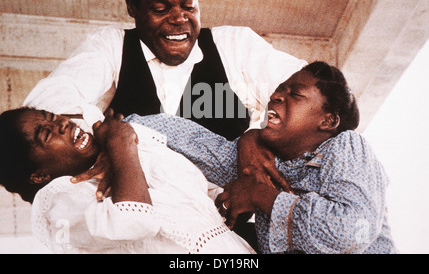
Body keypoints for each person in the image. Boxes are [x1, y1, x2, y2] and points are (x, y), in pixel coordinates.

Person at [117, 62, 397, 254]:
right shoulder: (261, 161)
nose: (276, 96)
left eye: (295, 94)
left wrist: (260, 196)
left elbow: (350, 232)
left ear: (328, 121)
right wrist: (122, 127)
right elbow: (194, 141)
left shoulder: (346, 146)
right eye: (279, 89)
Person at [23, 0, 306, 140]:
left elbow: (310, 90)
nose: (179, 19)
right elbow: (44, 103)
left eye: (189, 5)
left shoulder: (234, 44)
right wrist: (107, 134)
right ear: (132, 7)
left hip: (231, 224)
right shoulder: (111, 47)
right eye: (161, 8)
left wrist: (259, 138)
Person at [0, 108, 255, 254]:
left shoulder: (132, 152)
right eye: (47, 133)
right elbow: (135, 221)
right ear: (38, 176)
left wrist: (228, 199)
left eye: (53, 117)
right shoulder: (59, 200)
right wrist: (120, 143)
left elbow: (195, 201)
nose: (62, 124)